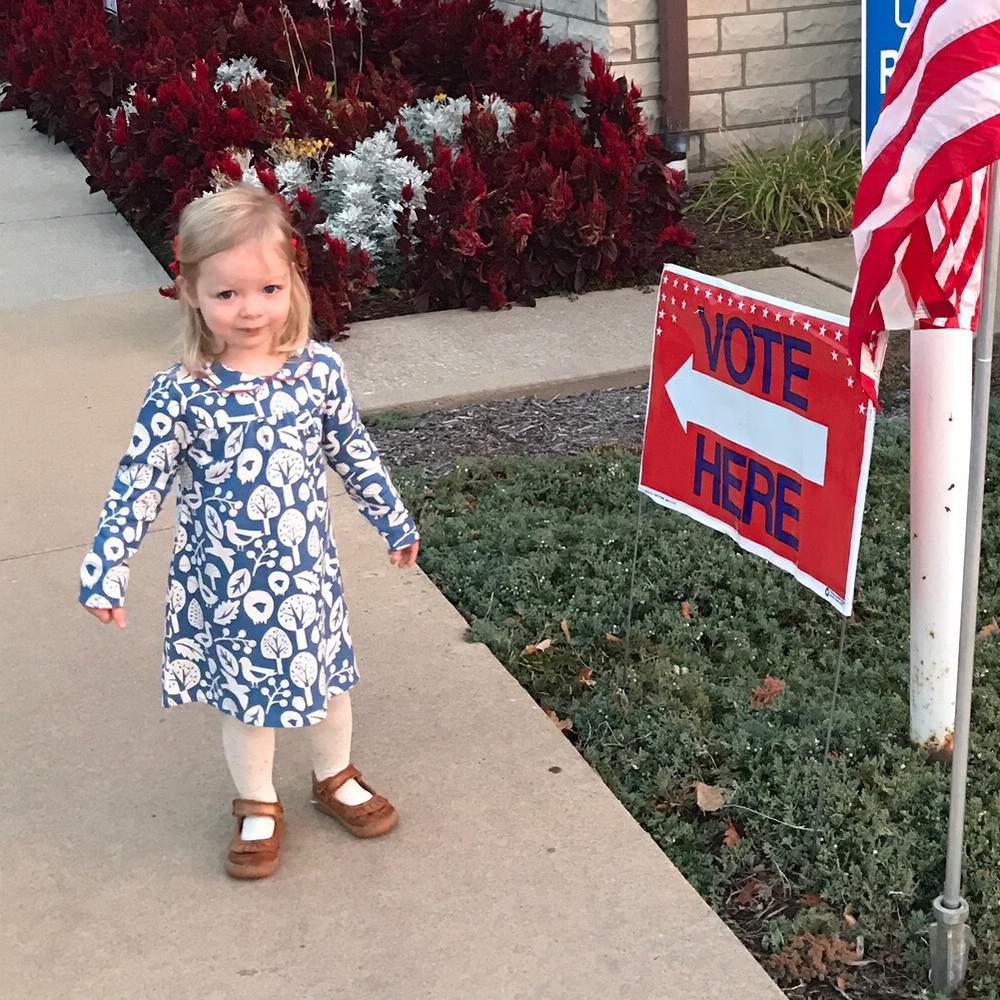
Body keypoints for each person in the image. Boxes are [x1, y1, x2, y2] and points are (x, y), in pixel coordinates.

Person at [79, 183, 420, 880]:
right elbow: (137, 483)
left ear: (292, 282)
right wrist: (106, 567)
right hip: (227, 583)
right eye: (227, 294)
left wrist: (392, 518)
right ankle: (257, 801)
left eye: (267, 288)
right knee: (246, 697)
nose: (250, 309)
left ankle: (334, 776)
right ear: (192, 295)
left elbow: (352, 450)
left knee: (326, 680)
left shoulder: (316, 373)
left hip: (305, 571)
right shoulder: (180, 392)